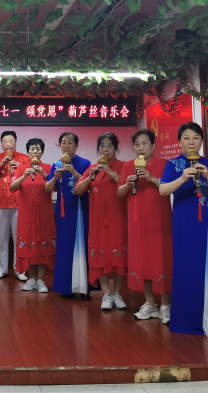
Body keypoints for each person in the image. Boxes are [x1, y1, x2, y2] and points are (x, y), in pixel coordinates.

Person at [160, 123, 208, 337]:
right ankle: (187, 319)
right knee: (186, 265)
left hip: (207, 219)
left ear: (201, 141)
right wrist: (182, 178)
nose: (191, 142)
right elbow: (163, 190)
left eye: (196, 138)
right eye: (186, 138)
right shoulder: (173, 164)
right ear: (179, 141)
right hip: (184, 221)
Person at [117, 129, 173, 323]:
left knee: (161, 259)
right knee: (143, 261)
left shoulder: (164, 164)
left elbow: (168, 187)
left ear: (153, 145)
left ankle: (165, 305)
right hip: (137, 223)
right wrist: (127, 184)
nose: (141, 148)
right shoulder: (127, 166)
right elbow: (120, 192)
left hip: (159, 220)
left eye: (145, 143)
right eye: (137, 144)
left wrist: (150, 177)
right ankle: (150, 304)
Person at [75, 132, 127, 310]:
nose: (105, 150)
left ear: (116, 148)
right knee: (100, 255)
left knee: (119, 254)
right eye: (102, 146)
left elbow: (126, 186)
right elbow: (78, 190)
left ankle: (117, 293)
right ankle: (106, 294)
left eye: (109, 146)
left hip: (118, 218)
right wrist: (90, 177)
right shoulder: (92, 168)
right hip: (98, 220)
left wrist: (111, 173)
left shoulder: (123, 166)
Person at [45, 132, 91, 299]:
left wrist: (74, 172)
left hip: (80, 209)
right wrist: (54, 178)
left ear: (76, 146)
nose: (66, 146)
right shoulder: (56, 165)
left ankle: (85, 288)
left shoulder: (85, 163)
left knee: (82, 244)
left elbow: (90, 185)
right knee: (65, 247)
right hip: (64, 212)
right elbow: (48, 189)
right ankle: (66, 287)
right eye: (63, 143)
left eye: (70, 143)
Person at [10, 138, 55, 293]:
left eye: (38, 149)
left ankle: (40, 279)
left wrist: (44, 174)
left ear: (42, 152)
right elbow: (12, 187)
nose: (35, 152)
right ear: (28, 152)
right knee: (28, 244)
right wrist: (24, 176)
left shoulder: (48, 168)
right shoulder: (21, 168)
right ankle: (31, 278)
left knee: (43, 245)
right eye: (32, 149)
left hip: (44, 213)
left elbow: (54, 187)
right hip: (26, 214)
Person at [0, 131, 30, 281]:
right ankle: (2, 269)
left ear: (16, 143)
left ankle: (20, 270)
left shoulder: (24, 158)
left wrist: (20, 167)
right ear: (1, 144)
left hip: (20, 202)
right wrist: (1, 165)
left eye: (11, 141)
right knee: (2, 238)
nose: (8, 144)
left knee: (19, 238)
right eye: (5, 141)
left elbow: (31, 176)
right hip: (1, 202)